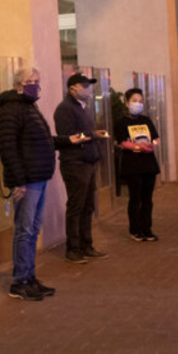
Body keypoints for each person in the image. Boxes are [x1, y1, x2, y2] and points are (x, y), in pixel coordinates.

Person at [0, 67, 89, 301]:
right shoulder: (11, 109)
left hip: (39, 177)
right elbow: (8, 148)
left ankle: (29, 276)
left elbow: (42, 141)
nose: (34, 84)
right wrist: (18, 181)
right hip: (27, 180)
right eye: (30, 81)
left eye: (37, 80)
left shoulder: (30, 107)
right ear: (18, 84)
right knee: (24, 231)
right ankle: (19, 282)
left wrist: (68, 140)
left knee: (33, 229)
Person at [54, 72, 111, 264]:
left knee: (87, 206)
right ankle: (73, 248)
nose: (88, 89)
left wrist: (94, 135)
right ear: (73, 88)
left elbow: (84, 134)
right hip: (75, 163)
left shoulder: (83, 107)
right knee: (76, 206)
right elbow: (69, 136)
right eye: (84, 85)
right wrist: (93, 135)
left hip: (88, 162)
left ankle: (87, 245)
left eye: (89, 85)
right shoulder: (64, 109)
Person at [114, 88, 161, 241]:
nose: (138, 104)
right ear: (127, 103)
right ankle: (135, 229)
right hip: (132, 166)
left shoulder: (146, 120)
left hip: (148, 164)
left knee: (148, 199)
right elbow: (122, 143)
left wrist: (152, 145)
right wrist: (138, 147)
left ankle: (147, 229)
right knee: (136, 199)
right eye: (134, 101)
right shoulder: (121, 123)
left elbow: (156, 138)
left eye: (140, 101)